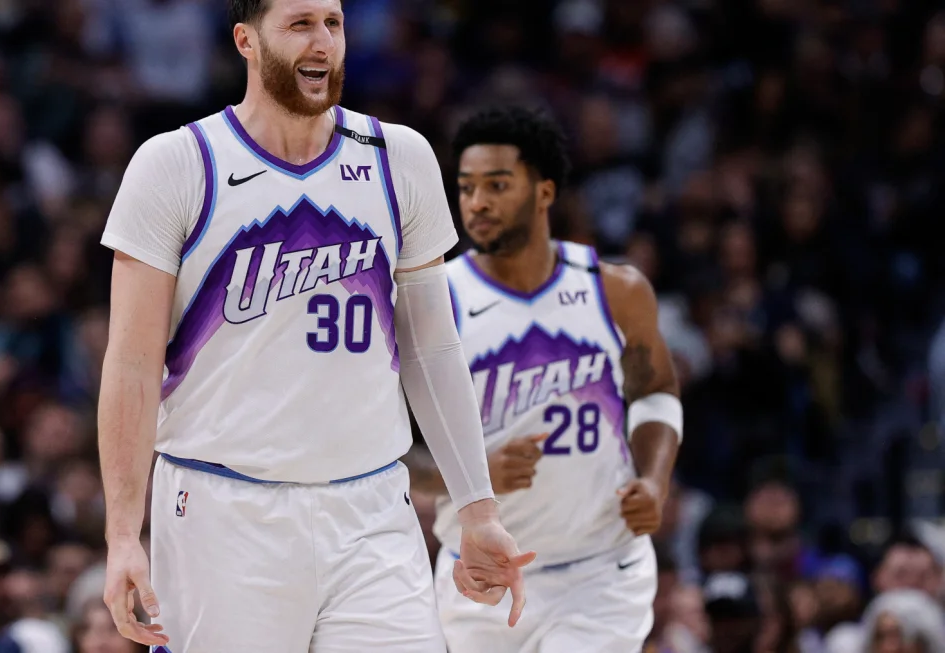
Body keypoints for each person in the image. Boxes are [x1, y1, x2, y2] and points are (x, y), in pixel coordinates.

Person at [96, 0, 533, 650]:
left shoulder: (399, 157)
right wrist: (123, 535)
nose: (322, 42)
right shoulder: (177, 165)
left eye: (332, 23)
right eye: (300, 24)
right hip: (223, 510)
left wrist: (478, 507)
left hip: (370, 506)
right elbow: (131, 364)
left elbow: (432, 348)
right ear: (246, 40)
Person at [405, 105, 682, 652]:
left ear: (545, 193)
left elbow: (656, 391)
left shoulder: (616, 291)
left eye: (497, 185)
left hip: (600, 572)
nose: (476, 202)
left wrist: (654, 478)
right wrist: (472, 476)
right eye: (465, 187)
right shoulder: (435, 304)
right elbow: (389, 452)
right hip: (480, 574)